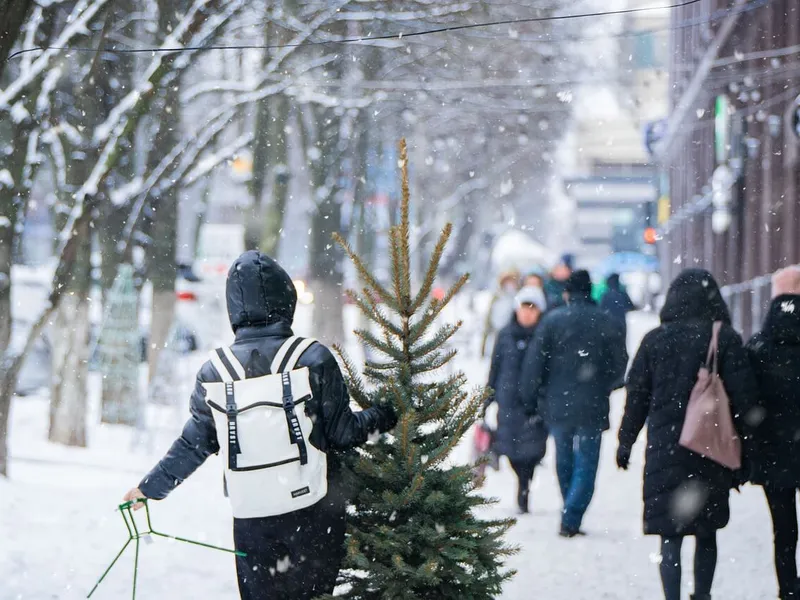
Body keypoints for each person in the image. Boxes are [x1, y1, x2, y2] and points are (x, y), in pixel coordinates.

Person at [123, 250, 397, 600]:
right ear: (287, 300)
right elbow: (346, 434)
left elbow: (194, 445)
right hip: (313, 513)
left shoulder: (214, 373)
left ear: (234, 308)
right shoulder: (312, 358)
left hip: (252, 518)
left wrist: (149, 488)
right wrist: (390, 412)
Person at [616, 269, 759, 600]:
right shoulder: (723, 338)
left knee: (670, 535)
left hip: (667, 451)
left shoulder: (654, 340)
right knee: (706, 532)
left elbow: (636, 396)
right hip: (711, 449)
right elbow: (745, 400)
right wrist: (748, 453)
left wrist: (626, 441)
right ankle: (703, 596)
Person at [521, 270, 627, 537]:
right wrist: (605, 385)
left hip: (558, 404)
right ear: (589, 291)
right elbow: (619, 364)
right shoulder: (605, 321)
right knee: (587, 463)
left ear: (567, 293)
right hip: (592, 403)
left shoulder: (552, 321)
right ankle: (573, 513)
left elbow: (535, 364)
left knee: (564, 458)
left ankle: (569, 508)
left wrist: (531, 398)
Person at [747, 266, 800, 600]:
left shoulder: (758, 346)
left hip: (774, 453)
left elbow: (747, 401)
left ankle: (789, 588)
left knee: (783, 528)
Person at [484, 286, 549, 514]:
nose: (527, 313)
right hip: (508, 401)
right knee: (511, 450)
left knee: (532, 452)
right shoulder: (505, 334)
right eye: (524, 307)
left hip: (534, 404)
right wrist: (486, 398)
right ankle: (522, 484)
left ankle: (525, 486)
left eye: (533, 308)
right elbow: (495, 368)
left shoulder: (545, 335)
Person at [481, 270, 521, 357]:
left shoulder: (518, 298)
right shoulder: (497, 297)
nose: (509, 285)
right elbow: (489, 316)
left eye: (512, 282)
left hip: (512, 334)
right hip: (496, 332)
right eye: (507, 282)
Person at [600, 272, 635, 339]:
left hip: (608, 324)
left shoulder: (605, 295)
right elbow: (631, 307)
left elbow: (601, 309)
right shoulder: (623, 294)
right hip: (621, 323)